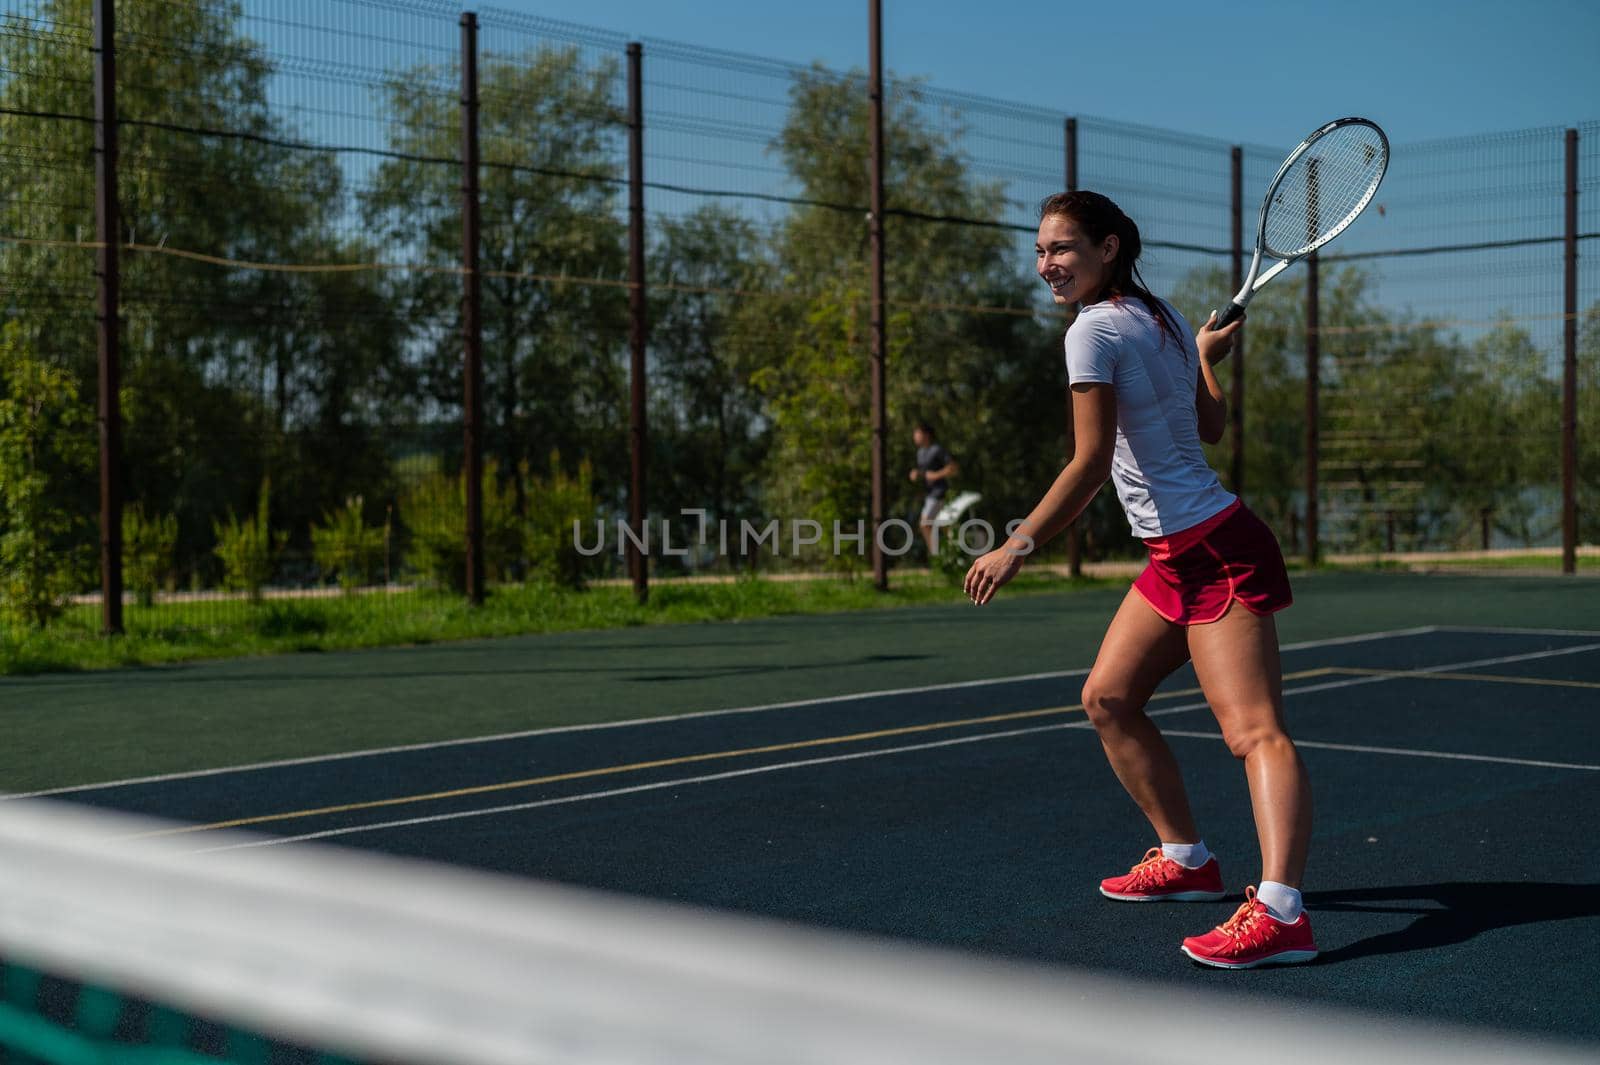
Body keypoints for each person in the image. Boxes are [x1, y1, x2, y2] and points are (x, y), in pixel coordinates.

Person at [962, 190, 1315, 969]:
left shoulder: (1094, 331)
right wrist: (1203, 359)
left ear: (1109, 247)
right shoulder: (1161, 322)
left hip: (1216, 548)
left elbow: (1089, 464)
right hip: (1172, 556)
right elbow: (1211, 425)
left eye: (1062, 249)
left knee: (1252, 730)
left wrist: (1015, 544)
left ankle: (1284, 909)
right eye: (1040, 251)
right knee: (1108, 698)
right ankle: (1187, 859)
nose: (1047, 265)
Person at [908, 423, 959, 555]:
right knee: (944, 526)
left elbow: (953, 468)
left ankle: (936, 555)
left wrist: (936, 475)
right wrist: (917, 474)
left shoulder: (937, 450)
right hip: (929, 494)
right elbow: (925, 473)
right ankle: (950, 554)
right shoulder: (920, 453)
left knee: (925, 524)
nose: (915, 436)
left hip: (939, 493)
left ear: (926, 435)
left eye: (917, 433)